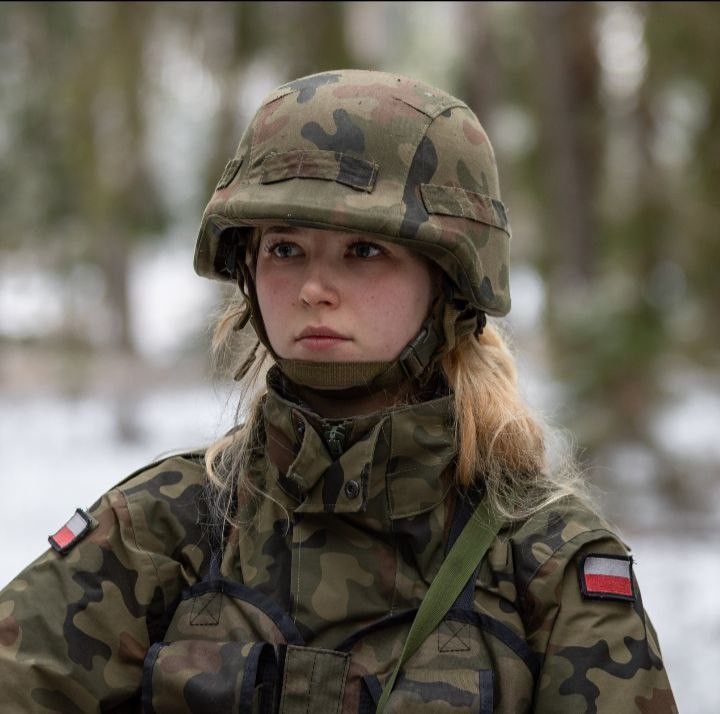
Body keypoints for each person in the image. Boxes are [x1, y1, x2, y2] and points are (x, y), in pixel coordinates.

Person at [0, 69, 676, 713]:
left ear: (449, 283)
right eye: (284, 249)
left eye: (363, 251)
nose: (313, 288)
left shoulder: (546, 567)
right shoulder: (160, 532)